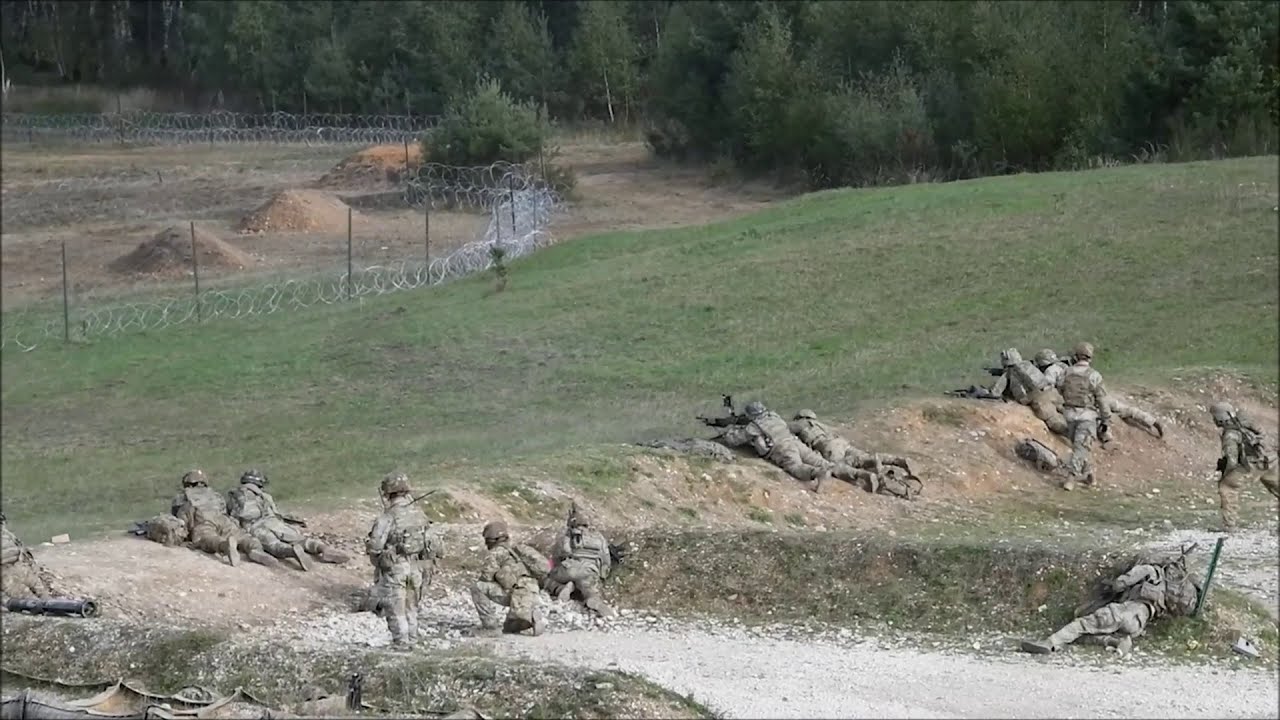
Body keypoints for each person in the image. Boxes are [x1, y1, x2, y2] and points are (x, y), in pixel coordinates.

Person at [1020, 545, 1201, 656]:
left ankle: (1049, 643)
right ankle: (1116, 642)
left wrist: (1113, 584)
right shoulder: (1167, 588)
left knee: (1082, 624)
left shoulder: (1149, 570)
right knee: (1086, 634)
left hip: (1124, 612)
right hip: (1138, 624)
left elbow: (1120, 584)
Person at [227, 469, 350, 571]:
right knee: (300, 539)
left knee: (275, 545)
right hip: (273, 522)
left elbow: (232, 516)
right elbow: (275, 513)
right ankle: (322, 549)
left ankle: (292, 551)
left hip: (255, 527)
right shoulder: (265, 496)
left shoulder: (235, 495)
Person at [365, 472, 435, 648]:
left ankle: (401, 645)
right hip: (417, 567)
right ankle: (413, 641)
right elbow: (433, 544)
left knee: (396, 609)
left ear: (388, 493)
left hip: (396, 568)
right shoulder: (420, 514)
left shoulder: (387, 516)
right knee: (412, 608)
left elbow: (375, 547)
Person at [787, 410, 920, 498]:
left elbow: (783, 427)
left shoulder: (801, 423)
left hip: (830, 447)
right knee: (862, 458)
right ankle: (893, 460)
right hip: (842, 442)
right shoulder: (821, 424)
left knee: (838, 467)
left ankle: (865, 475)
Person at [1034, 349, 1163, 440]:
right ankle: (1150, 420)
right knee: (1119, 406)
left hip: (1078, 399)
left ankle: (1106, 436)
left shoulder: (1051, 370)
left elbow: (1048, 388)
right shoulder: (1068, 367)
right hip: (1093, 391)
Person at [712, 401, 834, 492]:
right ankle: (837, 469)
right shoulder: (774, 416)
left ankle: (817, 473)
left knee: (795, 467)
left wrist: (731, 429)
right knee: (815, 459)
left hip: (782, 448)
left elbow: (733, 440)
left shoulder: (754, 426)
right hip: (794, 441)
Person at [169, 470, 278, 568]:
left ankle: (225, 546)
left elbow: (181, 518)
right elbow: (224, 509)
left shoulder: (183, 497)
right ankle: (254, 548)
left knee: (207, 538)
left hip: (203, 521)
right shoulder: (215, 494)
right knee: (242, 535)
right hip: (223, 519)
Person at [1210, 401, 1279, 533]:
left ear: (1219, 418)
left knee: (1227, 488)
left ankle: (1229, 525)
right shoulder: (1247, 423)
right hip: (1270, 461)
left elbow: (1232, 459)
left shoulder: (1230, 434)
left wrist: (1226, 475)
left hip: (1251, 465)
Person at [470, 520, 546, 636]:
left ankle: (490, 627)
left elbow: (486, 578)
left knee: (477, 587)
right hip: (532, 592)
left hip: (515, 593)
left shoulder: (496, 553)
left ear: (490, 540)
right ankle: (529, 615)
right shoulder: (515, 551)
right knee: (508, 629)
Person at [1054, 343, 1111, 490]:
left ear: (1075, 356)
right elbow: (1102, 399)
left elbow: (1059, 387)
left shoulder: (1066, 372)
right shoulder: (1094, 375)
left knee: (1080, 447)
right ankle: (1070, 478)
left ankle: (1090, 474)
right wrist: (1106, 419)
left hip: (1069, 415)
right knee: (1081, 447)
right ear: (1090, 357)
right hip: (1087, 416)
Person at [544, 502, 616, 619]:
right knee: (588, 587)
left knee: (547, 578)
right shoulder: (598, 537)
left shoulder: (568, 535)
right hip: (589, 571)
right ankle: (592, 599)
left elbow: (560, 553)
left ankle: (561, 588)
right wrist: (602, 577)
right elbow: (606, 560)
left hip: (569, 569)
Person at [991, 349, 1069, 436]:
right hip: (1051, 392)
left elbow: (996, 391)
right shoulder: (1028, 365)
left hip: (1037, 399)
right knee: (1068, 413)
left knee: (1055, 422)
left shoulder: (1010, 371)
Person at [0, 511, 53, 605]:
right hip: (20, 569)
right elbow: (24, 553)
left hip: (10, 573)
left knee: (33, 602)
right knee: (43, 601)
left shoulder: (8, 535)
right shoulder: (9, 535)